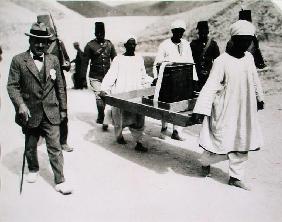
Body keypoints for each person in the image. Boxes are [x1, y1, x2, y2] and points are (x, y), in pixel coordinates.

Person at [192, 20, 265, 190]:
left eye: (249, 41)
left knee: (242, 139)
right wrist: (201, 109)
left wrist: (259, 97)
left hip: (244, 107)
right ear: (234, 39)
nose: (247, 44)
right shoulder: (221, 61)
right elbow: (210, 87)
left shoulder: (249, 58)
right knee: (220, 140)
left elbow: (254, 79)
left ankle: (236, 177)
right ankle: (206, 162)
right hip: (225, 107)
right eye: (243, 40)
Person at [7, 22, 73, 194]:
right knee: (30, 145)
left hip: (51, 111)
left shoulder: (53, 60)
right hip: (30, 112)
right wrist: (20, 104)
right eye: (37, 41)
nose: (40, 45)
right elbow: (12, 86)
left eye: (44, 42)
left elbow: (60, 86)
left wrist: (63, 108)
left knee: (55, 147)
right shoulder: (18, 60)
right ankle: (34, 168)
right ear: (30, 41)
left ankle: (60, 180)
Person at [100, 35, 152, 152]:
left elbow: (143, 75)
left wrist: (149, 82)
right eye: (130, 44)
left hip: (136, 93)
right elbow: (111, 75)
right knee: (120, 118)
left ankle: (139, 142)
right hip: (122, 92)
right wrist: (104, 89)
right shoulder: (118, 59)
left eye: (134, 44)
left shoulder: (139, 58)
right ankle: (119, 136)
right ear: (125, 45)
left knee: (138, 118)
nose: (132, 46)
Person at [153, 19, 198, 141]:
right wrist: (157, 78)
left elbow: (190, 62)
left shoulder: (186, 44)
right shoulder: (164, 45)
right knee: (166, 105)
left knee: (180, 106)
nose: (179, 34)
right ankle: (164, 127)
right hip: (168, 81)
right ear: (172, 31)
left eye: (181, 31)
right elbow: (157, 63)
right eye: (177, 31)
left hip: (183, 81)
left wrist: (194, 79)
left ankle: (176, 131)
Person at [37, 14, 73, 152]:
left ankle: (63, 141)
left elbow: (68, 64)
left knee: (62, 112)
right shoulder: (37, 45)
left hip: (58, 85)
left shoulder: (59, 43)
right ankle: (42, 136)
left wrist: (65, 64)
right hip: (42, 84)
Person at [81, 22, 117, 131]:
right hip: (95, 77)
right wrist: (83, 79)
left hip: (108, 77)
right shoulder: (90, 45)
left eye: (103, 33)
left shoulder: (109, 44)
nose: (101, 35)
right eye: (98, 33)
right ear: (95, 33)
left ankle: (104, 117)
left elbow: (115, 60)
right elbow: (84, 63)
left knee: (107, 98)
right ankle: (101, 115)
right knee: (99, 98)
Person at [190, 21, 220, 91]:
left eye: (205, 30)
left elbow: (217, 61)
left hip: (210, 76)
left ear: (208, 31)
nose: (203, 33)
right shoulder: (193, 45)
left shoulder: (213, 44)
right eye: (201, 30)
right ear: (198, 32)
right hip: (197, 77)